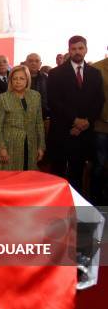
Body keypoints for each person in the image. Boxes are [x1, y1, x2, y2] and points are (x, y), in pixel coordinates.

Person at [48, 35, 104, 193]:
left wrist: (85, 122)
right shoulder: (55, 73)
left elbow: (98, 101)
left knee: (77, 175)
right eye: (73, 49)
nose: (77, 52)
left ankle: (77, 212)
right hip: (62, 131)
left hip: (84, 133)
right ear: (69, 50)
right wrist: (74, 121)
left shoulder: (95, 73)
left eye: (80, 48)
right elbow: (54, 102)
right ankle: (56, 212)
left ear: (86, 49)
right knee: (58, 176)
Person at [0, 65, 45, 170]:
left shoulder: (36, 96)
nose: (18, 81)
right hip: (10, 145)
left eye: (22, 78)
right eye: (15, 78)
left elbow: (39, 123)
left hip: (31, 145)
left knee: (28, 180)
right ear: (10, 80)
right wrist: (1, 148)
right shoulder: (3, 98)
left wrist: (41, 146)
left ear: (27, 80)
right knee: (9, 181)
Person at [91, 53, 108, 204]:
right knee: (99, 164)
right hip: (101, 124)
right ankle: (95, 197)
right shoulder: (97, 68)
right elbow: (93, 97)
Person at [25, 53, 49, 118]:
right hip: (23, 115)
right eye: (30, 61)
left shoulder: (46, 78)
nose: (34, 63)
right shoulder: (20, 77)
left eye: (37, 61)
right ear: (26, 63)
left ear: (40, 64)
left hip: (42, 115)